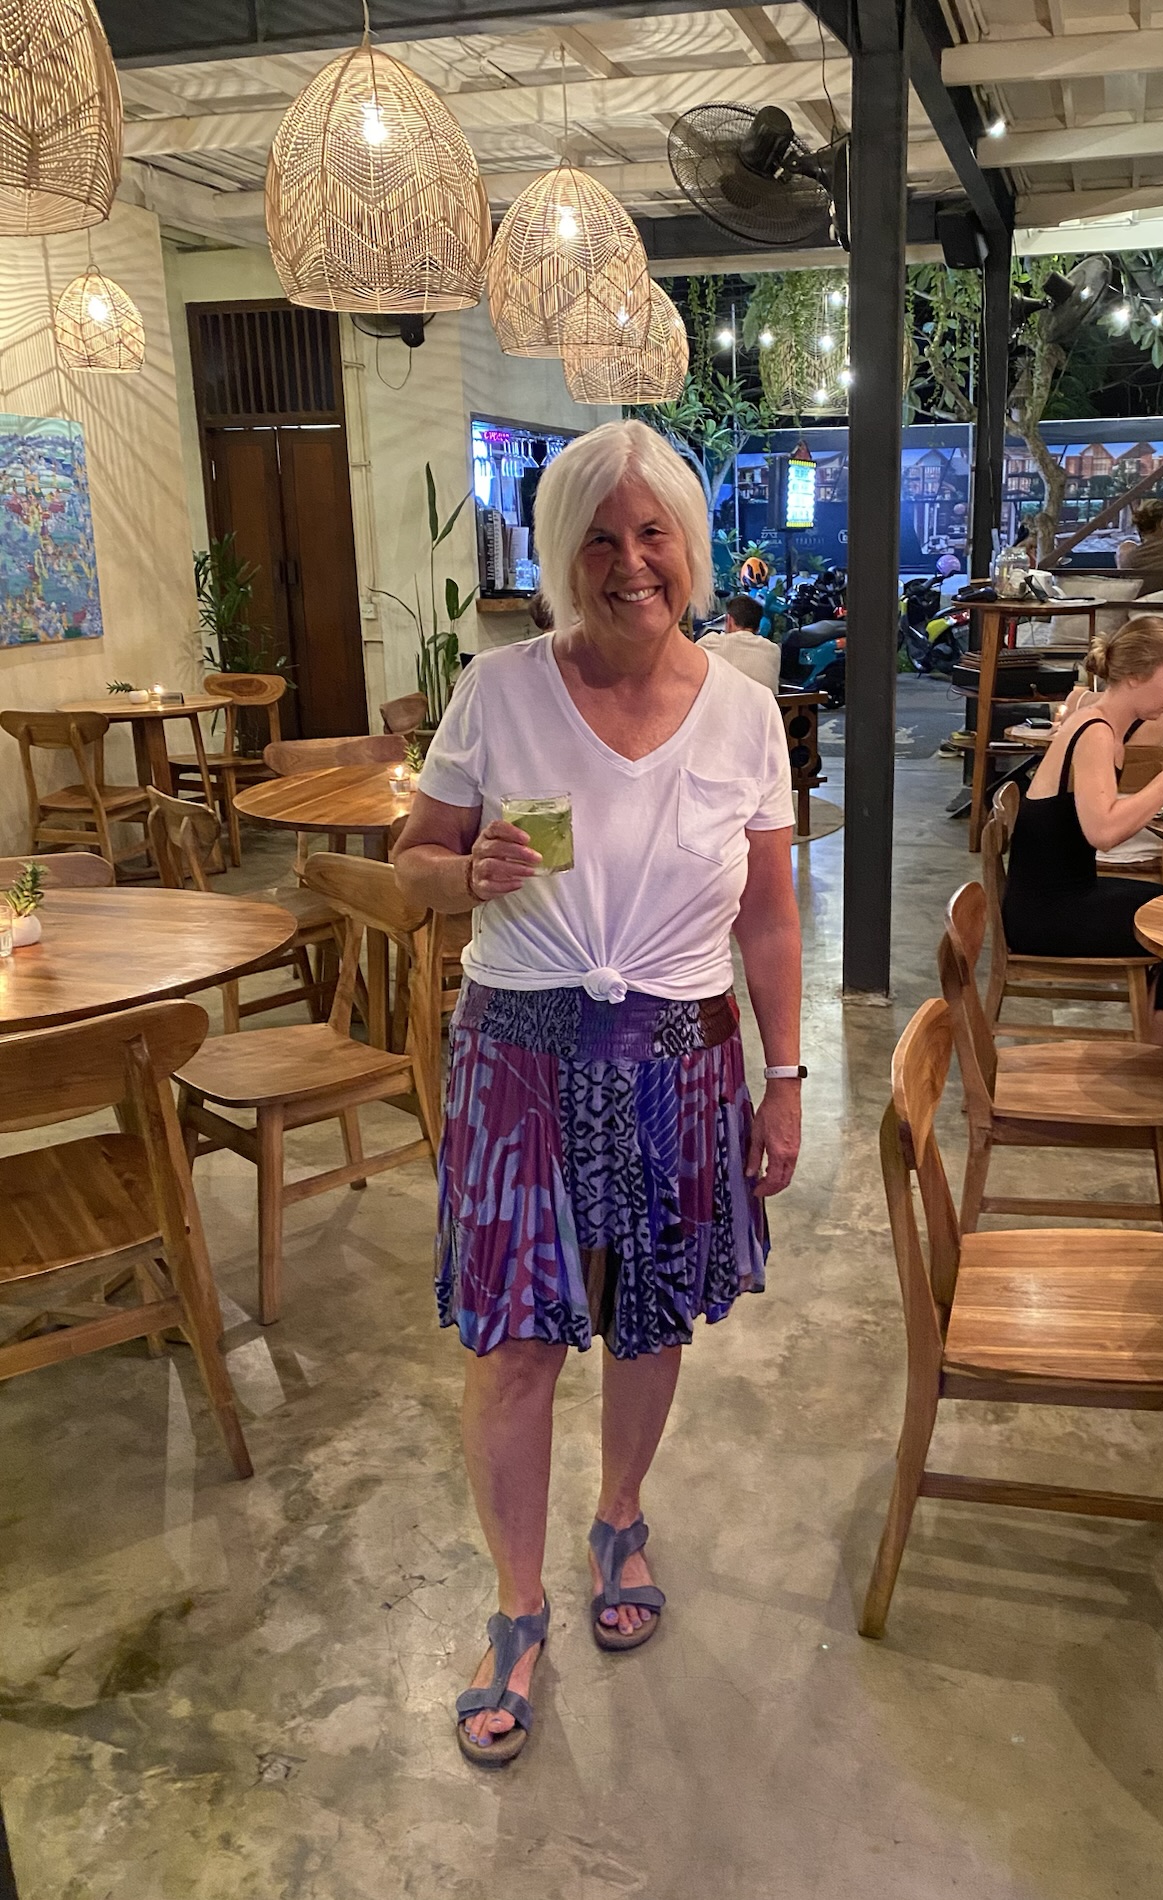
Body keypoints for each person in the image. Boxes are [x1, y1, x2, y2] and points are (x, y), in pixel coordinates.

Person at [392, 419, 802, 1768]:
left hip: (682, 1061)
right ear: (563, 557)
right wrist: (465, 873)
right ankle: (516, 1603)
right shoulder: (498, 690)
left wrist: (785, 1079)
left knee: (645, 1319)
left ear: (689, 544)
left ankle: (618, 1512)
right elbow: (412, 859)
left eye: (653, 532)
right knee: (513, 1345)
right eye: (600, 539)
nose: (631, 563)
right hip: (516, 1056)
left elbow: (770, 922)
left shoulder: (745, 710)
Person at [1001, 615, 1163, 1047]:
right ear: (1136, 675)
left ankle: (1144, 1045)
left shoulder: (1098, 723)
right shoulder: (1096, 732)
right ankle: (1141, 1059)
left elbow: (1092, 811)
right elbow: (1102, 832)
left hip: (1056, 896)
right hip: (1048, 914)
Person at [696, 591, 781, 693]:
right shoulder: (773, 650)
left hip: (724, 703)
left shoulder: (710, 643)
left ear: (729, 620)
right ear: (758, 627)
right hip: (765, 704)